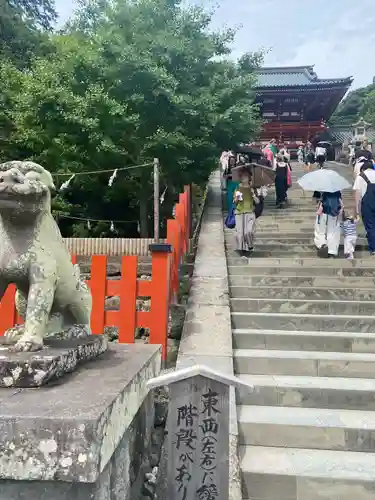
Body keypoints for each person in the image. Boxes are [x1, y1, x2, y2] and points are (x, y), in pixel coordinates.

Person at [233, 168, 259, 257]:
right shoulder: (238, 188)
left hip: (249, 212)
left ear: (249, 177)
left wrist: (253, 194)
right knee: (240, 233)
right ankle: (241, 249)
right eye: (242, 176)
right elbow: (235, 202)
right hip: (239, 212)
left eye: (246, 176)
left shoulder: (253, 188)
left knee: (248, 231)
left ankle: (250, 246)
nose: (244, 178)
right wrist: (237, 198)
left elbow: (258, 202)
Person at [353, 159, 375, 255]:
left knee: (370, 227)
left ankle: (373, 248)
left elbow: (357, 194)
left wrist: (357, 211)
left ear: (363, 169)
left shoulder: (361, 176)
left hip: (367, 204)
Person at [314, 191, 343, 258]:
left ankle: (322, 244)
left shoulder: (321, 189)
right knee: (333, 232)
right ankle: (332, 251)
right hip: (334, 213)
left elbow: (316, 200)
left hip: (323, 212)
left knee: (320, 231)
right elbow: (340, 202)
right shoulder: (337, 190)